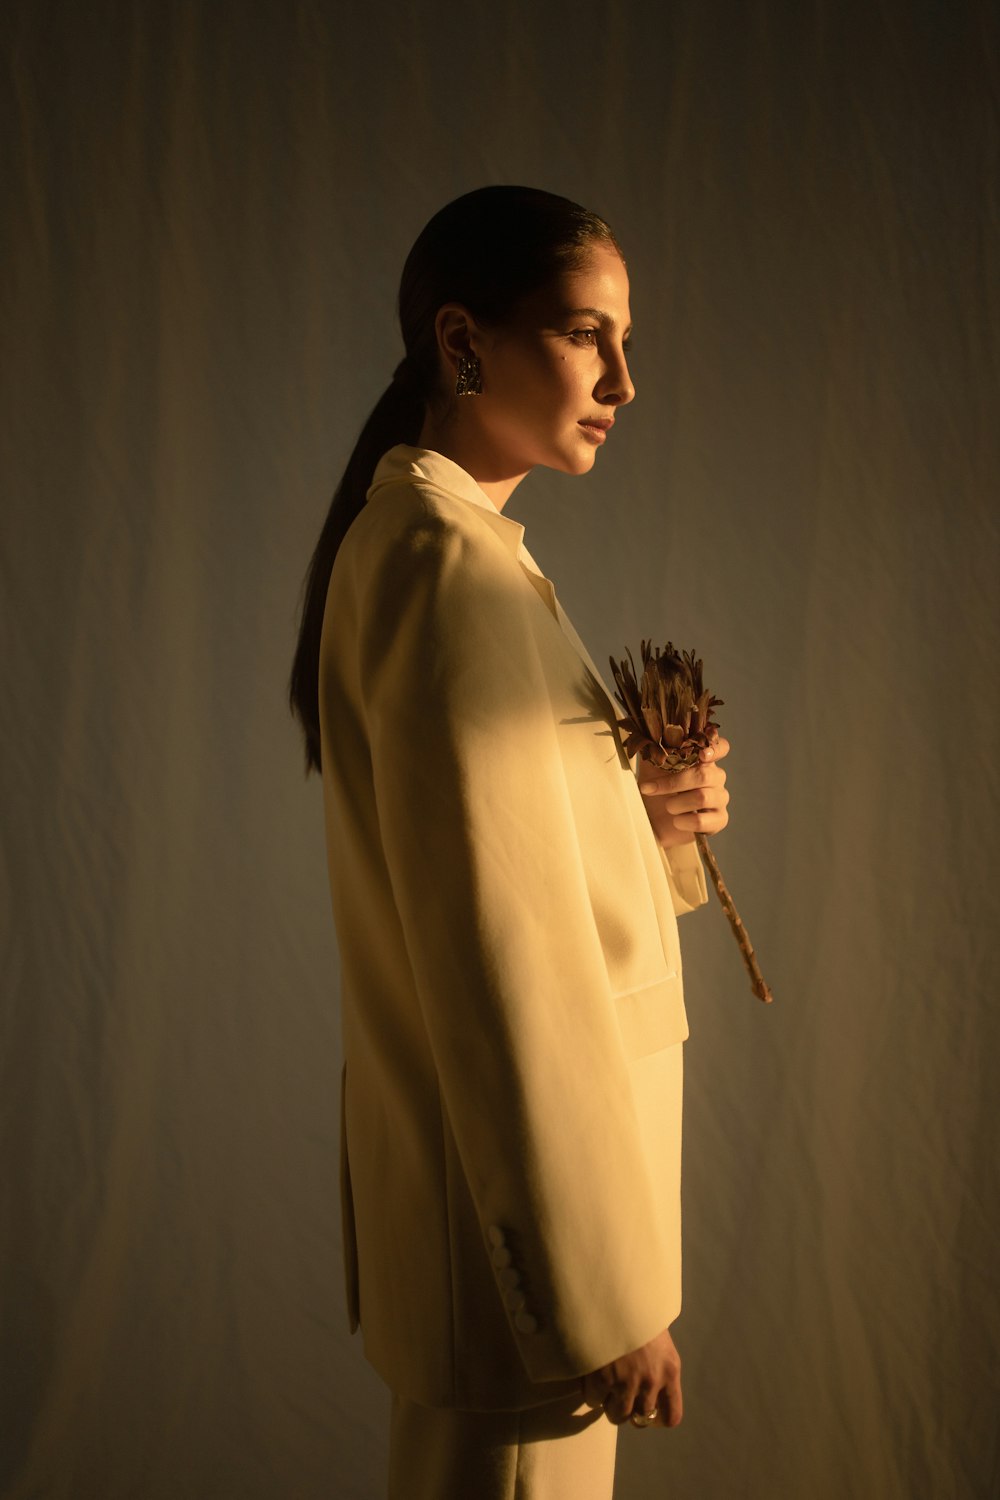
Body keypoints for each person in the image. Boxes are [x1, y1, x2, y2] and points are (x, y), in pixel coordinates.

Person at [289, 185, 730, 1500]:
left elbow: (527, 899)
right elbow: (500, 975)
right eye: (590, 334)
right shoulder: (444, 571)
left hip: (503, 1256)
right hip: (528, 1277)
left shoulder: (458, 555)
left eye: (627, 343)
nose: (624, 381)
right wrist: (598, 1297)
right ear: (463, 342)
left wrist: (649, 835)